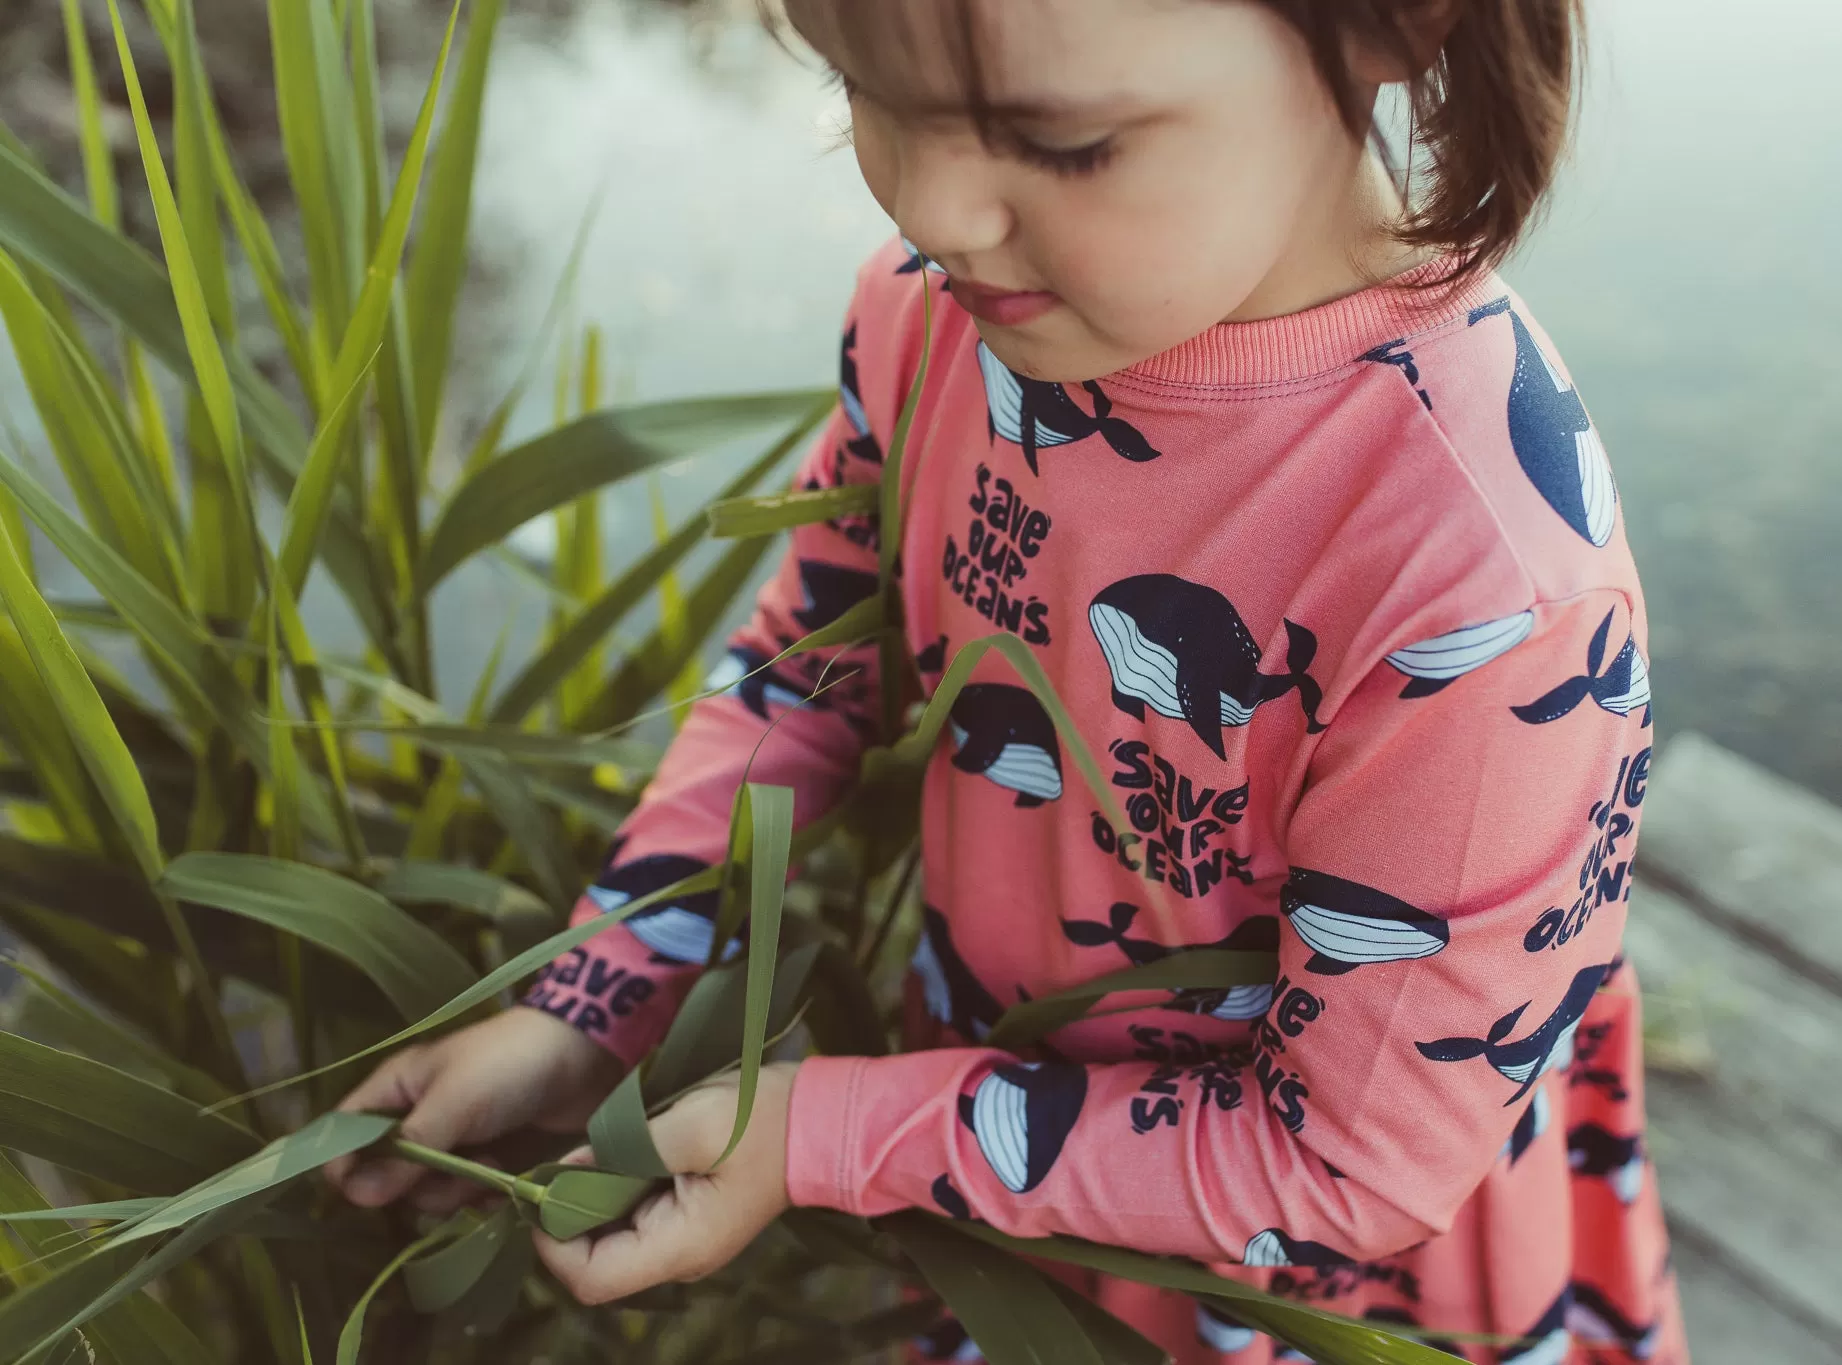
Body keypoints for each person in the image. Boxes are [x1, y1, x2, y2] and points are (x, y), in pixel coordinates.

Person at [326, 1, 1686, 1359]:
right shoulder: (940, 311)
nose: (932, 204)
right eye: (865, 88)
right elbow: (805, 671)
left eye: (1064, 142)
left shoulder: (1483, 597)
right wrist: (600, 995)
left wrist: (831, 1134)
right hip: (996, 1192)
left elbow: (1347, 1171)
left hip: (1291, 1294)